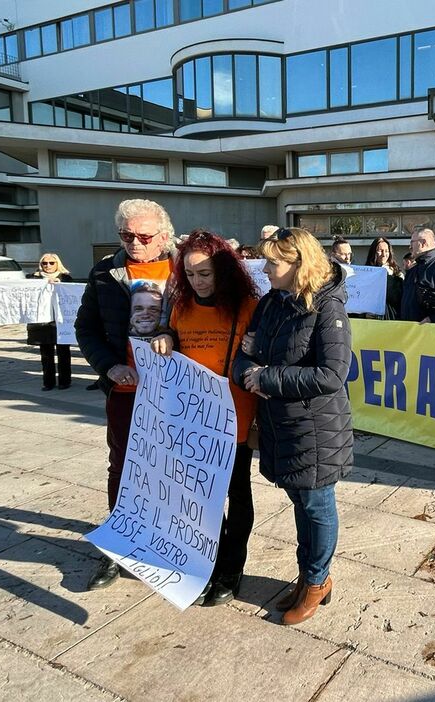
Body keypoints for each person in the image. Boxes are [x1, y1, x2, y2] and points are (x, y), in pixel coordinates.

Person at [232, 227, 352, 626]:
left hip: (316, 428)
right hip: (282, 424)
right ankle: (310, 575)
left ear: (298, 263)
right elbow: (245, 354)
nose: (264, 269)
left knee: (317, 505)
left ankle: (317, 581)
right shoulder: (271, 303)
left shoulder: (328, 307)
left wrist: (266, 378)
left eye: (273, 262)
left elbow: (333, 374)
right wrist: (249, 372)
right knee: (300, 502)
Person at [150, 229, 259, 605]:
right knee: (202, 500)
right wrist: (165, 336)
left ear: (224, 271)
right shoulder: (181, 306)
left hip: (235, 419)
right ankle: (210, 562)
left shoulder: (248, 306)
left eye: (206, 274)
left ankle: (233, 568)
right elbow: (172, 342)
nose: (197, 282)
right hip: (193, 423)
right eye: (191, 274)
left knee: (235, 492)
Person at [75, 198, 175, 590]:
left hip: (176, 391)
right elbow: (86, 329)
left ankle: (174, 543)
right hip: (126, 388)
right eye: (126, 235)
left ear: (163, 236)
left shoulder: (187, 269)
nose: (134, 243)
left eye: (144, 236)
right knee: (123, 467)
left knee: (176, 471)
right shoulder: (105, 272)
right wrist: (107, 367)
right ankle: (121, 545)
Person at [26, 253, 74, 391]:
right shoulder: (32, 278)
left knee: (64, 352)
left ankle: (65, 381)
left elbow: (73, 293)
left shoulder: (66, 278)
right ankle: (48, 382)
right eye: (44, 263)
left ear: (57, 264)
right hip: (42, 322)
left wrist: (61, 285)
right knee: (46, 354)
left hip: (61, 320)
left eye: (51, 263)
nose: (47, 266)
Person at [364, 237, 404, 319]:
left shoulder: (397, 274)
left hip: (391, 318)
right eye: (380, 251)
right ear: (373, 252)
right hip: (371, 319)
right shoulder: (365, 273)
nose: (384, 254)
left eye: (386, 251)